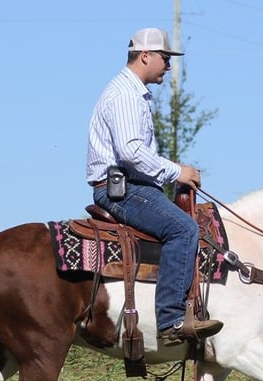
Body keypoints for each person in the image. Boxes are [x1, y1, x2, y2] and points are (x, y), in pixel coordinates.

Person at [86, 27, 223, 347]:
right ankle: (172, 319)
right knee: (184, 230)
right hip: (122, 188)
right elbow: (131, 151)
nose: (169, 65)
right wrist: (178, 172)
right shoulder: (125, 95)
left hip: (132, 185)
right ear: (145, 55)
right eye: (165, 58)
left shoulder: (129, 92)